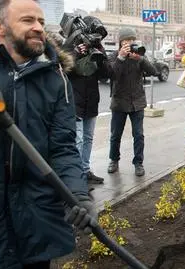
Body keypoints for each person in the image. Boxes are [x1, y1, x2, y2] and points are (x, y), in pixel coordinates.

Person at [0, 1, 96, 268]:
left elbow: (63, 147)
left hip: (35, 220)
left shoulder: (56, 77)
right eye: (28, 21)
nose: (39, 28)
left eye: (40, 21)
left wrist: (77, 193)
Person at [63, 16, 112, 188]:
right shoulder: (68, 46)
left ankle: (85, 170)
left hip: (91, 100)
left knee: (88, 138)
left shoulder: (96, 48)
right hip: (74, 101)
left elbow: (107, 74)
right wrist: (76, 53)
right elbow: (61, 70)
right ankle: (76, 176)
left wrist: (100, 53)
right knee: (78, 140)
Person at [107, 27, 157, 176]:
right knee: (116, 135)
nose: (129, 43)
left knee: (139, 135)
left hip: (137, 102)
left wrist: (140, 59)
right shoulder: (114, 56)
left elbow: (153, 71)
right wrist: (121, 58)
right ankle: (114, 160)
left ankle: (138, 163)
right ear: (120, 42)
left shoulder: (139, 55)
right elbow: (112, 74)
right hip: (119, 102)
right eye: (126, 40)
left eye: (131, 40)